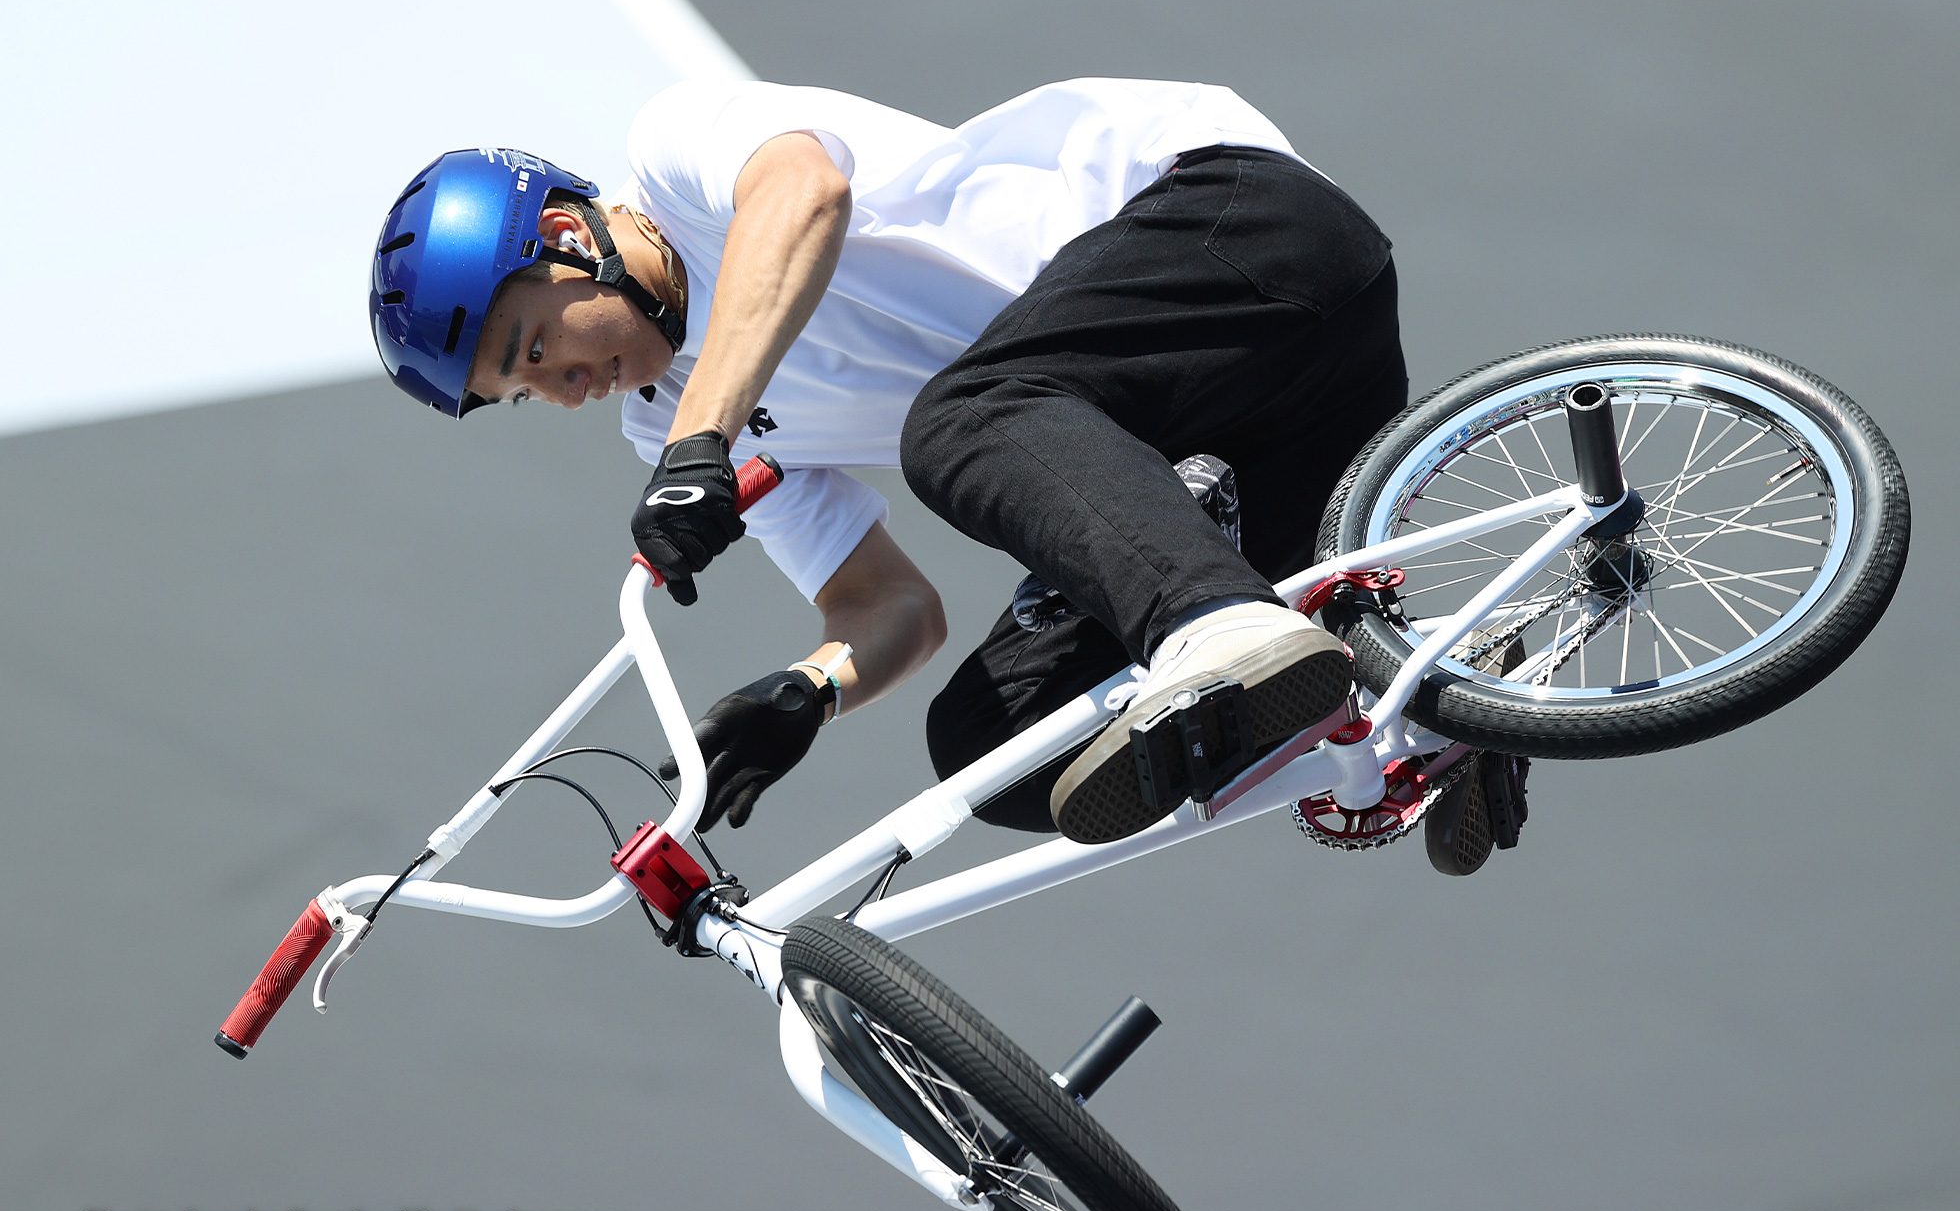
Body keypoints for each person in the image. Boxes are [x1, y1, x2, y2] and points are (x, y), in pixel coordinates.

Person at [369, 77, 1410, 848]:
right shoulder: (661, 424)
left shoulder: (678, 150)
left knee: (956, 420)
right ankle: (1401, 719)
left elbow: (804, 193)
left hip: (1239, 232)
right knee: (995, 752)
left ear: (564, 235)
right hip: (1249, 428)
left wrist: (705, 440)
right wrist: (805, 692)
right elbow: (884, 605)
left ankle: (1209, 621)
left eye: (533, 347)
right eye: (523, 395)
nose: (559, 390)